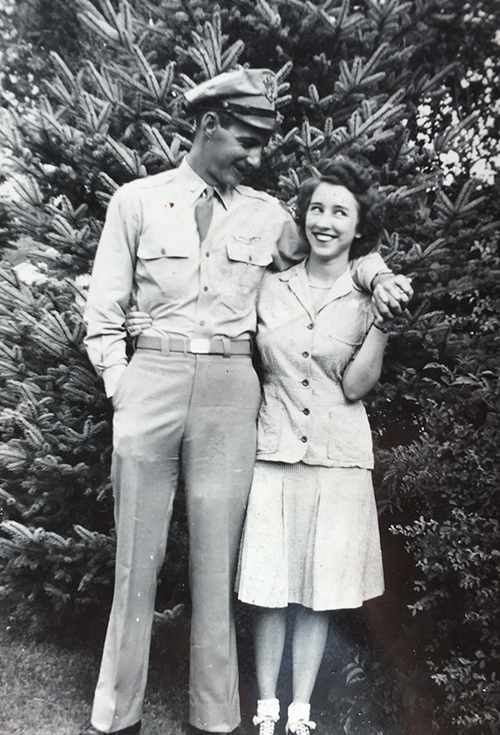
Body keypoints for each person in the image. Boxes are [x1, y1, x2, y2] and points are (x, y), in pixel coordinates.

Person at [82, 67, 412, 735]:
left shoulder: (267, 215)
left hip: (232, 393)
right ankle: (117, 715)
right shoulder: (137, 201)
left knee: (216, 563)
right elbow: (103, 308)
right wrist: (123, 383)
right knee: (134, 562)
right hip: (153, 381)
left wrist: (378, 274)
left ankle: (215, 716)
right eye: (247, 141)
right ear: (209, 126)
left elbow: (335, 257)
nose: (257, 159)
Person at [235, 158, 397, 735]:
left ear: (358, 227)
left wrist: (379, 321)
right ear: (303, 217)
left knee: (315, 592)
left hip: (337, 457)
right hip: (275, 450)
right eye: (318, 209)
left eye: (340, 212)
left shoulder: (367, 294)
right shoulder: (269, 288)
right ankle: (265, 711)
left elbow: (355, 386)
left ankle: (300, 714)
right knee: (271, 588)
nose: (325, 222)